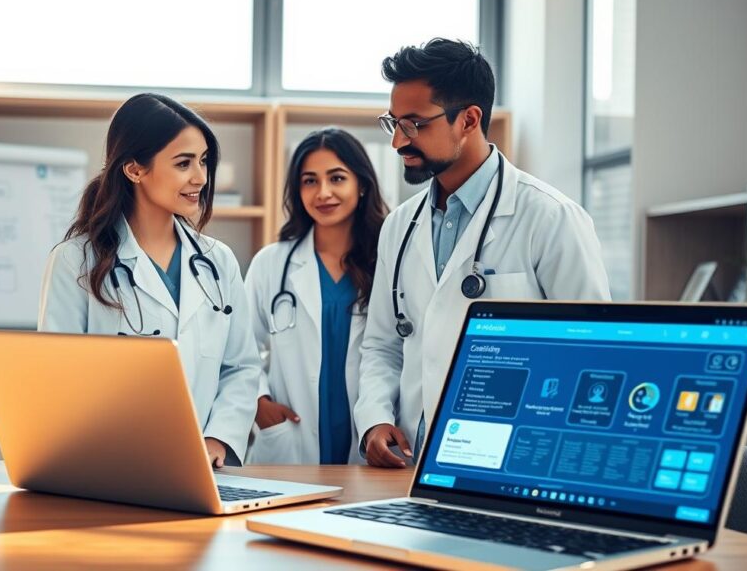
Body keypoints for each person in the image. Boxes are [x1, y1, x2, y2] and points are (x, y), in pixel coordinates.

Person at [355, 38, 611, 468]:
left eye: (414, 124)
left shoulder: (551, 218)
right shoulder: (399, 226)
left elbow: (589, 352)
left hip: (513, 461)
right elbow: (382, 344)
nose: (398, 141)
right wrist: (375, 421)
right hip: (408, 465)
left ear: (469, 119)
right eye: (393, 123)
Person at [38, 93, 259, 468]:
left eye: (204, 161)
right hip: (109, 467)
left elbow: (241, 367)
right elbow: (58, 379)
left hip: (206, 470)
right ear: (135, 169)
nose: (201, 177)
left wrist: (218, 438)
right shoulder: (75, 261)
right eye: (183, 162)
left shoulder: (217, 261)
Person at [244, 128, 389, 464]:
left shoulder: (388, 261)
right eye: (310, 181)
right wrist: (258, 402)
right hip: (289, 442)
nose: (323, 192)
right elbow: (239, 347)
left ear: (362, 184)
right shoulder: (272, 264)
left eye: (337, 178)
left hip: (368, 436)